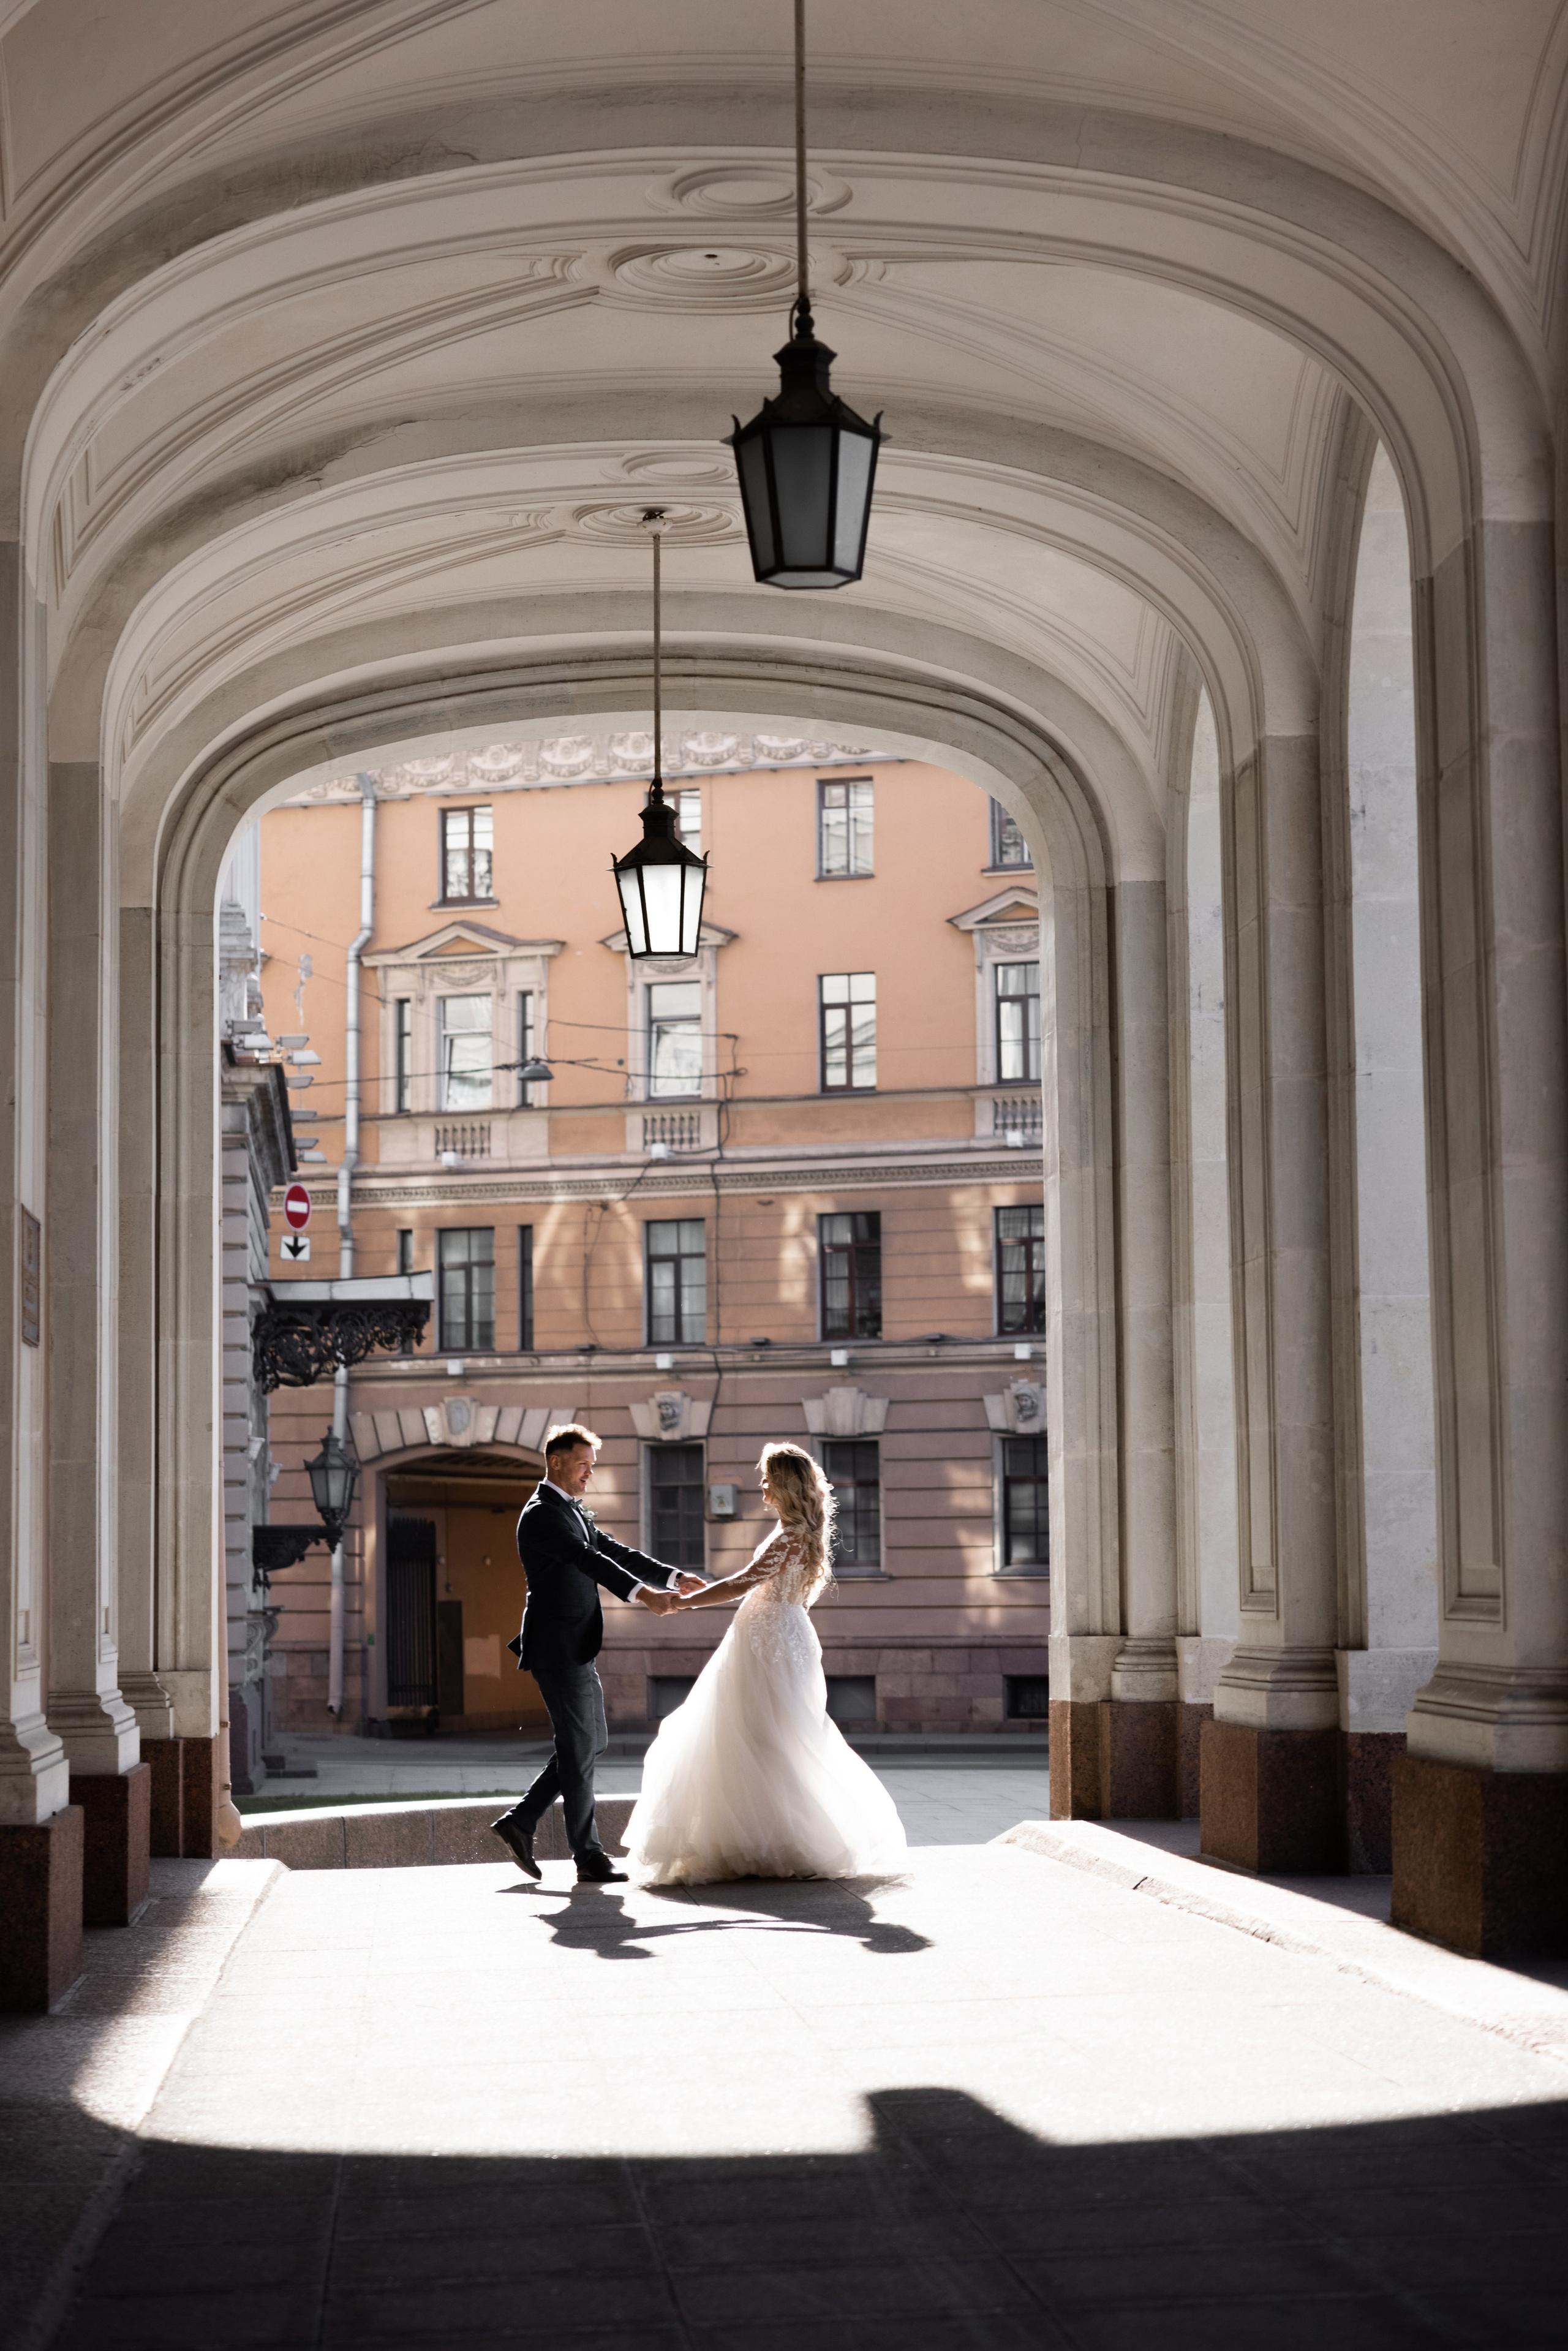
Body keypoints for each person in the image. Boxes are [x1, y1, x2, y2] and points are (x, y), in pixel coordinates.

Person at [624, 1441, 908, 1885]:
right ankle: (772, 1838)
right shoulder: (801, 1533)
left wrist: (683, 1602)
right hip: (781, 1635)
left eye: (767, 1478)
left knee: (764, 1735)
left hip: (767, 1642)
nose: (761, 1486)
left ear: (784, 1484)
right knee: (772, 1735)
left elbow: (743, 1583)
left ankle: (780, 1841)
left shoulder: (790, 1536)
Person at [491, 1423, 704, 1884]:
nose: (590, 1472)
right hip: (555, 1646)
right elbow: (587, 1560)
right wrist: (643, 1595)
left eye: (592, 1465)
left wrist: (671, 1577)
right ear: (556, 1463)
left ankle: (521, 1821)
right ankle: (587, 1856)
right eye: (583, 1464)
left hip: (577, 1644)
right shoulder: (541, 1514)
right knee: (579, 1746)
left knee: (591, 1742)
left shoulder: (572, 1509)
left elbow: (611, 1549)